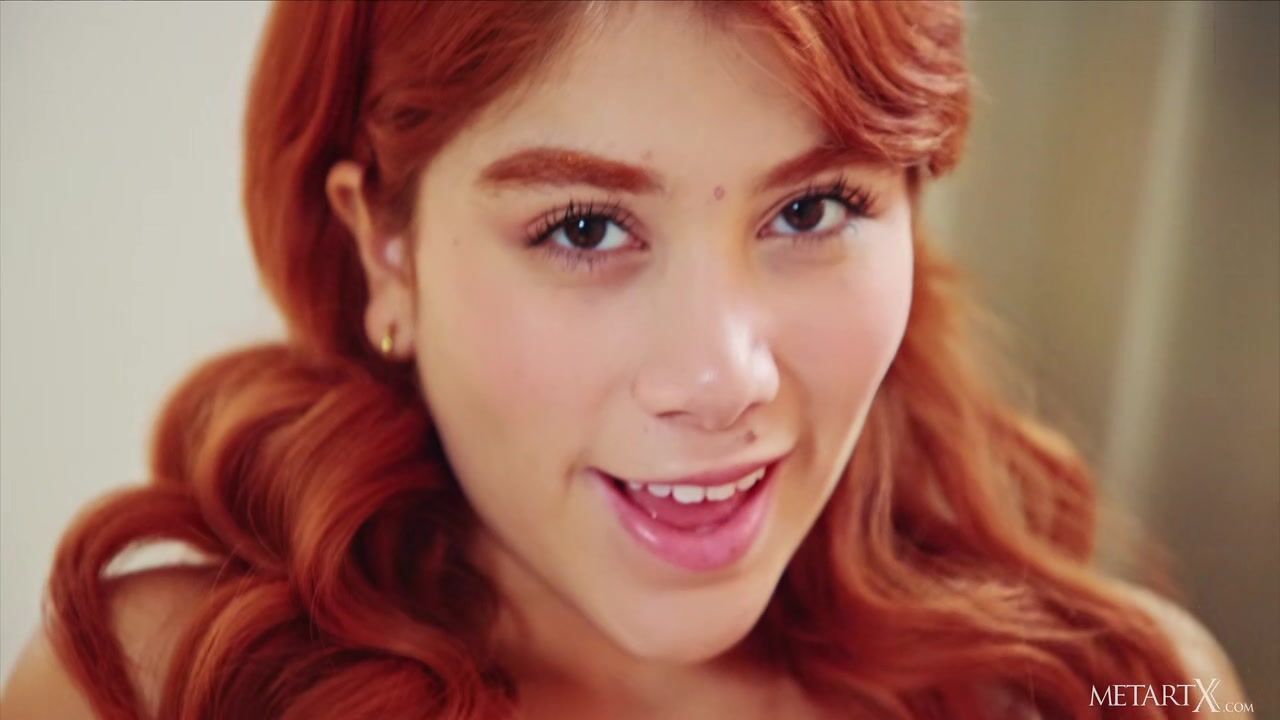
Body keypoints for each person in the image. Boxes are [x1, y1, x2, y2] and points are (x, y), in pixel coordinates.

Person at [0, 1, 1252, 718]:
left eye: (812, 209)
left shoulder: (1121, 691)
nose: (722, 378)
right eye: (584, 229)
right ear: (384, 251)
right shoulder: (163, 691)